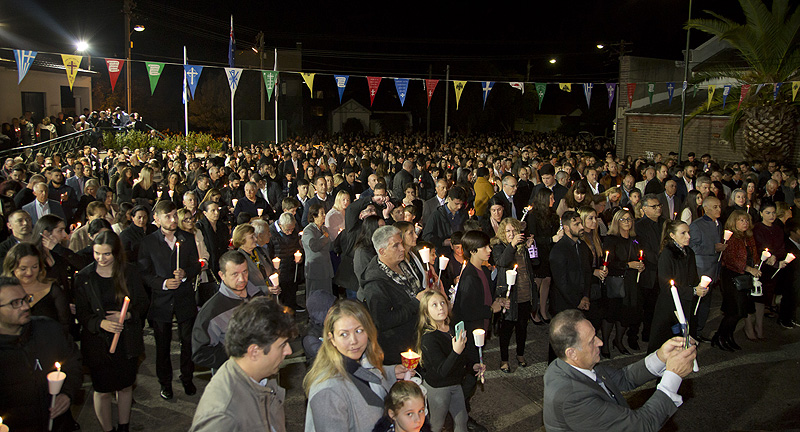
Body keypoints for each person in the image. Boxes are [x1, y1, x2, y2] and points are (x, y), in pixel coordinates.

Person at [543, 309, 697, 432]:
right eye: (591, 341)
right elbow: (642, 425)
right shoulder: (573, 399)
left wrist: (661, 356)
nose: (601, 342)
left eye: (595, 335)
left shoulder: (565, 364)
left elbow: (624, 378)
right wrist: (673, 375)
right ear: (572, 353)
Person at [190, 297, 297, 432]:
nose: (289, 351)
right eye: (282, 345)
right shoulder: (222, 416)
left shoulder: (265, 377)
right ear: (254, 352)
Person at [74, 231, 146, 432]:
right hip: (97, 343)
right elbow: (82, 312)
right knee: (103, 389)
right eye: (97, 253)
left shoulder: (129, 272)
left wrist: (128, 316)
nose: (101, 259)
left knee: (124, 386)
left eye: (106, 254)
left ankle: (124, 427)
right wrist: (101, 323)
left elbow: (142, 302)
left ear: (116, 253)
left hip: (126, 340)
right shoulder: (84, 277)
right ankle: (108, 429)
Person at [303, 300, 410, 432]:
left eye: (359, 331)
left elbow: (363, 378)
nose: (354, 341)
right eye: (344, 334)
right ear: (332, 339)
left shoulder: (360, 362)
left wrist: (390, 373)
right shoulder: (328, 391)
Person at [0, 276, 83, 432]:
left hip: (58, 424)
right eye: (15, 303)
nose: (25, 306)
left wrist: (67, 393)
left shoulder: (48, 328)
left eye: (25, 299)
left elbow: (73, 362)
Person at [138, 200, 201, 399]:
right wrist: (164, 283)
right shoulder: (148, 243)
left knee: (187, 341)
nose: (173, 219)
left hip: (184, 299)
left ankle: (187, 377)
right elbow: (144, 273)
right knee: (163, 345)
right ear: (156, 219)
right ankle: (165, 382)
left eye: (175, 215)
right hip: (161, 301)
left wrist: (185, 274)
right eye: (168, 216)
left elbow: (196, 265)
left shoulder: (187, 238)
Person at [451, 230, 507, 429]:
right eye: (485, 247)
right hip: (468, 336)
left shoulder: (481, 271)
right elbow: (466, 310)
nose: (489, 250)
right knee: (469, 376)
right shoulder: (470, 276)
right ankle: (459, 415)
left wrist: (496, 301)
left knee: (472, 376)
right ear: (473, 251)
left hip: (478, 332)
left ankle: (463, 412)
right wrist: (490, 309)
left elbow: (483, 298)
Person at [192, 250, 267, 370]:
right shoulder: (212, 311)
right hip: (235, 377)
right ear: (222, 275)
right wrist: (239, 355)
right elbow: (200, 353)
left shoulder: (257, 296)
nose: (242, 279)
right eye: (235, 274)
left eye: (245, 272)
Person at [361, 225, 423, 365]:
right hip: (398, 348)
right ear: (382, 251)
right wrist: (415, 303)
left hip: (416, 337)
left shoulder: (401, 263)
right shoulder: (375, 284)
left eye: (401, 243)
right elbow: (382, 321)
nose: (402, 248)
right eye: (395, 246)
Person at [415, 290, 470, 432]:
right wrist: (456, 351)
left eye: (442, 303)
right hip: (439, 388)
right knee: (437, 424)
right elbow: (442, 371)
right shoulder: (429, 338)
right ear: (426, 312)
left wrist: (472, 365)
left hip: (455, 383)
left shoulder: (451, 328)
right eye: (434, 305)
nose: (440, 307)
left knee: (462, 419)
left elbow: (460, 359)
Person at [648, 220, 703, 353]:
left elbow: (693, 277)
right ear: (672, 235)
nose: (688, 236)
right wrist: (693, 290)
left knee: (682, 338)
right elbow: (666, 286)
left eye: (688, 233)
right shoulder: (667, 254)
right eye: (683, 233)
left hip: (686, 302)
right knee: (666, 340)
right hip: (670, 306)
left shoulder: (689, 252)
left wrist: (700, 287)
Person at [491, 217, 536, 373]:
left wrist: (530, 247)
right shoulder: (499, 246)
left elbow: (534, 265)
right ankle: (504, 359)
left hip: (524, 293)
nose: (511, 234)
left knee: (522, 327)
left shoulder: (522, 247)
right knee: (506, 329)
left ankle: (520, 354)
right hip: (509, 295)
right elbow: (502, 261)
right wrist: (512, 245)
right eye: (508, 231)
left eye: (514, 230)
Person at [712, 210, 760, 351]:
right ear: (734, 222)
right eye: (741, 220)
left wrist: (757, 265)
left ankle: (727, 336)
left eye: (746, 220)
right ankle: (720, 336)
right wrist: (749, 269)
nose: (745, 223)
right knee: (735, 310)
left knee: (741, 310)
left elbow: (754, 255)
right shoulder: (731, 238)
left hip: (744, 277)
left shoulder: (749, 237)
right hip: (732, 276)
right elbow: (730, 259)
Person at [2, 242, 71, 334]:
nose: (29, 272)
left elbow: (65, 325)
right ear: (12, 268)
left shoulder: (53, 290)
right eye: (23, 269)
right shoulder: (3, 291)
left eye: (34, 267)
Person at [602, 208, 644, 353]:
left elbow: (638, 257)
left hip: (631, 283)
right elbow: (608, 262)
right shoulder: (611, 239)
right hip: (617, 282)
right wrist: (627, 265)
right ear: (617, 222)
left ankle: (618, 341)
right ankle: (605, 343)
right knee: (611, 314)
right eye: (623, 219)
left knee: (626, 315)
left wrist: (640, 265)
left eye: (629, 219)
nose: (627, 222)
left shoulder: (635, 239)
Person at [689, 196, 726, 340]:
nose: (719, 209)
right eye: (715, 207)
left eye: (719, 206)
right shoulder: (697, 225)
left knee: (706, 304)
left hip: (713, 269)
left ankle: (699, 330)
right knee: (697, 303)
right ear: (706, 208)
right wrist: (713, 248)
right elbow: (692, 247)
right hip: (701, 270)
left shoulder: (718, 224)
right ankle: (692, 331)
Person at [524, 188, 563, 324]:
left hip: (550, 252)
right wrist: (552, 239)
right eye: (551, 198)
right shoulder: (533, 215)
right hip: (538, 253)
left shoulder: (553, 214)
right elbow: (534, 238)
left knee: (547, 280)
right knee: (538, 282)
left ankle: (543, 310)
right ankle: (533, 311)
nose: (553, 201)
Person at [634, 194, 666, 344]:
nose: (658, 208)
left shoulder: (665, 223)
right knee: (645, 306)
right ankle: (641, 334)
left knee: (659, 307)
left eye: (659, 206)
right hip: (649, 272)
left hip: (663, 272)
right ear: (644, 209)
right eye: (654, 206)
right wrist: (659, 259)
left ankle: (654, 333)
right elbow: (644, 248)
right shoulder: (640, 226)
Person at [750, 202, 785, 339]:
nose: (771, 216)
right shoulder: (757, 228)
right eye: (768, 213)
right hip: (760, 266)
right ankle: (751, 325)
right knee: (755, 296)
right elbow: (758, 246)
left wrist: (776, 256)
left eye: (773, 213)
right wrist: (768, 256)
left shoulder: (778, 229)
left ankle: (759, 324)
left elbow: (782, 246)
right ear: (761, 213)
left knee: (765, 296)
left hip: (774, 266)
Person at [268, 212, 304, 311]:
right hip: (278, 271)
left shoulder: (294, 229)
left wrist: (299, 256)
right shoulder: (271, 232)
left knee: (291, 292)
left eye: (292, 229)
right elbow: (268, 253)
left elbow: (297, 246)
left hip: (291, 268)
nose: (290, 232)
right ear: (280, 225)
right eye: (287, 230)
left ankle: (292, 309)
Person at [233, 223, 279, 296]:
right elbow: (243, 285)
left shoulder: (261, 251)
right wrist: (265, 290)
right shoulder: (238, 259)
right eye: (252, 237)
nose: (256, 239)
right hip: (255, 300)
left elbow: (270, 270)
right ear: (242, 240)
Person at [422, 186, 467, 256]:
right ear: (449, 199)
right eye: (456, 204)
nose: (459, 207)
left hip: (460, 253)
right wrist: (442, 242)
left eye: (461, 204)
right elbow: (427, 236)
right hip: (443, 253)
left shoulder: (463, 214)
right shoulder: (437, 215)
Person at [303, 202, 334, 296]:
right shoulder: (308, 230)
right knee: (316, 296)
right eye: (322, 213)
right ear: (314, 216)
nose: (324, 215)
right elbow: (314, 246)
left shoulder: (324, 229)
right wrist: (324, 237)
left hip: (325, 270)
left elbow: (329, 246)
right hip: (315, 271)